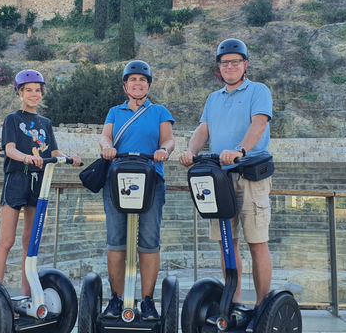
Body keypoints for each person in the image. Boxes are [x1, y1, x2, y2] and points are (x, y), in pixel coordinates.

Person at [179, 38, 273, 330]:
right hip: (220, 178)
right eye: (224, 63)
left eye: (235, 62)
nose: (230, 66)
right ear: (218, 68)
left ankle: (262, 307)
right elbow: (203, 129)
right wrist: (191, 151)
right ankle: (232, 304)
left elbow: (259, 124)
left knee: (256, 243)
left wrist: (240, 150)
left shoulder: (258, 91)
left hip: (249, 175)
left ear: (245, 65)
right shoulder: (213, 98)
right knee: (227, 245)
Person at [0, 69, 82, 296]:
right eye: (29, 90)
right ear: (20, 93)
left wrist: (69, 158)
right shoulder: (12, 119)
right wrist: (27, 157)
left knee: (29, 241)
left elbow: (52, 150)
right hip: (16, 179)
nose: (34, 94)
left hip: (38, 181)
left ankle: (26, 294)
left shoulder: (45, 122)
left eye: (38, 90)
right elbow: (9, 149)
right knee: (7, 240)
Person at [99, 60, 175, 321]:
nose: (138, 83)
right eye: (133, 79)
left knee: (150, 241)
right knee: (116, 240)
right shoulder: (115, 112)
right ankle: (117, 299)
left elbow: (168, 138)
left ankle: (147, 300)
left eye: (142, 80)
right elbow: (105, 136)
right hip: (117, 180)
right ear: (125, 85)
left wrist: (164, 150)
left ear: (149, 85)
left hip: (151, 180)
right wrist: (107, 147)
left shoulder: (160, 111)